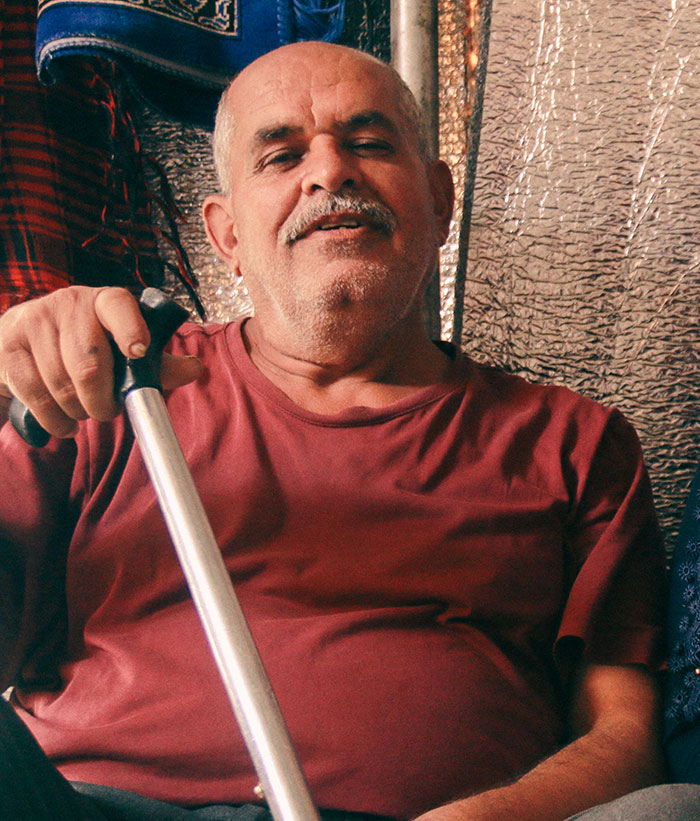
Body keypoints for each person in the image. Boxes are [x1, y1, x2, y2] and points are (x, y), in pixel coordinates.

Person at [0, 41, 672, 820]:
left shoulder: (573, 442)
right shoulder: (110, 386)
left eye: (370, 143)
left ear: (439, 198)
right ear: (226, 235)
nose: (331, 172)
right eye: (282, 155)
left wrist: (493, 817)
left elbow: (625, 738)